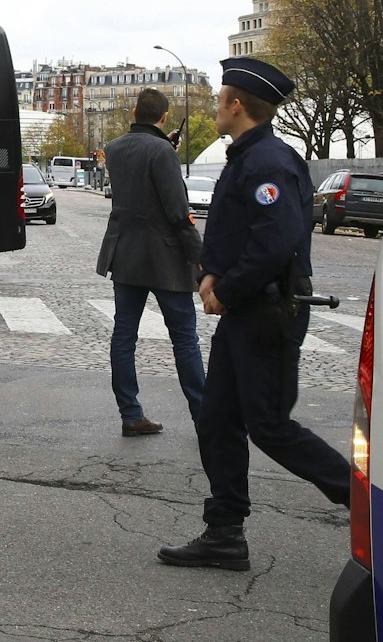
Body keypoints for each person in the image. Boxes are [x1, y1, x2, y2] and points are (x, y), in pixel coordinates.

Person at [158, 58, 351, 571]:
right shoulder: (247, 157)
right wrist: (211, 273)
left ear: (236, 104)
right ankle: (225, 532)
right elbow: (236, 233)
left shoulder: (266, 162)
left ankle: (369, 504)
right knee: (218, 418)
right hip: (248, 308)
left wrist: (228, 288)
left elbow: (275, 240)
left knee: (268, 425)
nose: (215, 106)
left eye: (220, 98)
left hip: (266, 309)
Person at [95, 88, 205, 436]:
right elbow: (176, 211)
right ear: (165, 116)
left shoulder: (114, 148)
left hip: (125, 253)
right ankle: (204, 418)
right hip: (165, 258)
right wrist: (200, 260)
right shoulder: (162, 152)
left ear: (133, 111)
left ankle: (130, 414)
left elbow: (139, 168)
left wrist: (162, 147)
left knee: (124, 337)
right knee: (185, 339)